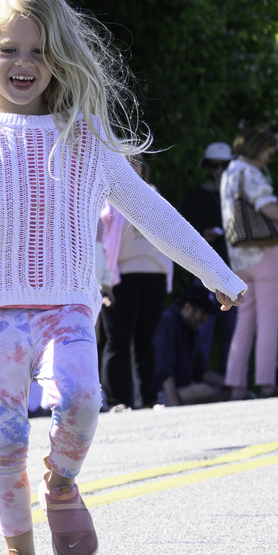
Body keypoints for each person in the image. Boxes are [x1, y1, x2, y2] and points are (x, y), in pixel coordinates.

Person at [0, 0, 244, 555]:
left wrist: (216, 273)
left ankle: (61, 484)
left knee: (83, 399)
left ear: (60, 61)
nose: (24, 65)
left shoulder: (84, 136)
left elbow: (153, 213)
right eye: (9, 51)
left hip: (67, 303)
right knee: (2, 441)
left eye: (39, 52)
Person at [220, 126, 278, 398]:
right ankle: (266, 384)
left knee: (244, 321)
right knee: (268, 321)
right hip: (266, 254)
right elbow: (272, 211)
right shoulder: (251, 174)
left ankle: (236, 384)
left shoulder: (229, 173)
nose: (270, 158)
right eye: (268, 152)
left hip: (239, 258)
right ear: (257, 148)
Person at [99, 157, 174, 410]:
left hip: (154, 273)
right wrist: (102, 280)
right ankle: (116, 401)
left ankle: (149, 398)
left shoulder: (154, 195)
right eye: (125, 161)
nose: (132, 166)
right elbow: (98, 240)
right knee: (118, 339)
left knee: (146, 339)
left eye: (136, 161)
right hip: (119, 277)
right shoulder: (105, 196)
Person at [180, 142, 236, 377]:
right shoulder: (193, 197)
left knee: (233, 333)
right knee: (201, 329)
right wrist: (203, 235)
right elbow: (181, 234)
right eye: (214, 165)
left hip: (234, 273)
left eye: (224, 165)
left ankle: (231, 382)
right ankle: (196, 380)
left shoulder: (237, 198)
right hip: (204, 273)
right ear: (206, 166)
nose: (219, 170)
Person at [153, 286, 223, 407]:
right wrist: (175, 409)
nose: (205, 319)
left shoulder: (191, 329)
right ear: (187, 308)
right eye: (203, 313)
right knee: (205, 392)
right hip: (163, 393)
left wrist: (230, 385)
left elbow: (200, 372)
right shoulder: (169, 322)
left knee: (220, 391)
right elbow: (164, 373)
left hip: (182, 390)